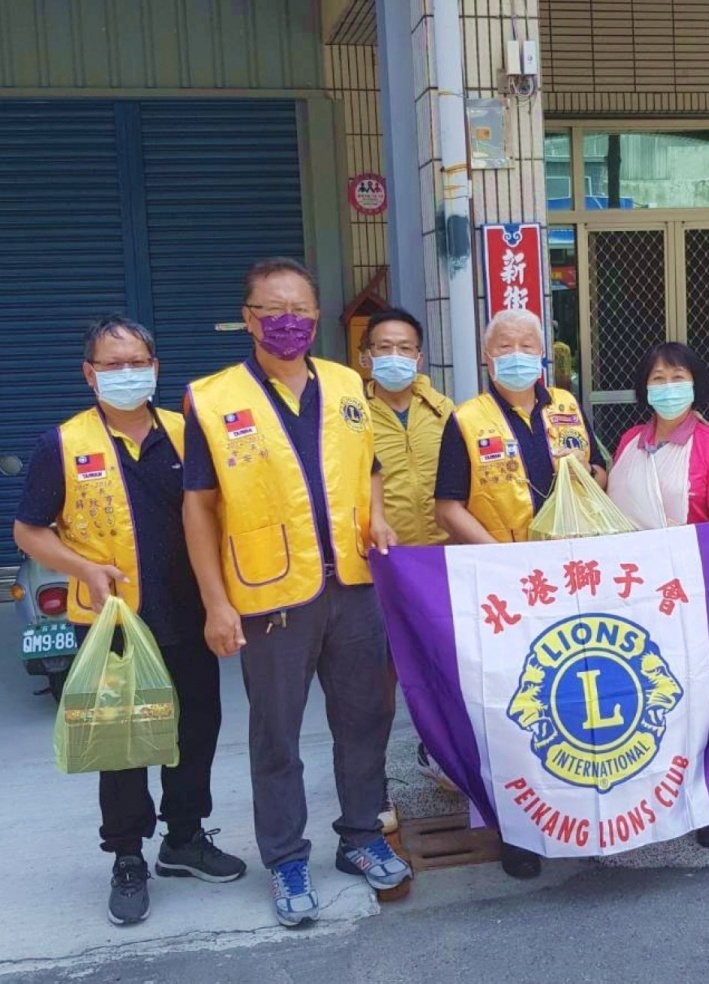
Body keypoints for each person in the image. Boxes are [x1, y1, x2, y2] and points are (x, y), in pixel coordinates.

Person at [182, 258, 411, 927]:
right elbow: (198, 507)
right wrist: (216, 602)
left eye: (301, 310)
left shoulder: (346, 383)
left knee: (365, 719)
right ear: (248, 318)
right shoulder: (213, 399)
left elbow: (369, 467)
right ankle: (285, 857)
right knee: (276, 735)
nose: (289, 322)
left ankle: (362, 835)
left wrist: (378, 515)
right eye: (273, 310)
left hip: (354, 584)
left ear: (316, 317)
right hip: (270, 594)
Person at [13, 316, 245, 926]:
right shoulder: (63, 444)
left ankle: (184, 839)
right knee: (122, 744)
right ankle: (126, 856)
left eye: (137, 362)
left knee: (196, 729)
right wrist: (82, 567)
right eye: (112, 365)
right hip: (112, 623)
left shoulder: (188, 434)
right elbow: (29, 531)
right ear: (89, 374)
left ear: (156, 368)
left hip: (189, 613)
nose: (126, 374)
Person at [434, 307, 607, 878]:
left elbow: (597, 473)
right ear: (487, 358)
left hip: (568, 579)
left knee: (572, 700)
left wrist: (593, 483)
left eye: (527, 345)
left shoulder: (566, 406)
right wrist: (499, 557)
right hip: (506, 587)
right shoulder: (466, 420)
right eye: (504, 346)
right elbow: (448, 506)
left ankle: (583, 815)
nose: (516, 354)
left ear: (543, 354)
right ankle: (519, 832)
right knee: (515, 708)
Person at [607, 341, 709, 848]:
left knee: (694, 702)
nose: (667, 388)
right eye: (657, 379)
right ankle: (647, 793)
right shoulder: (628, 442)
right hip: (631, 594)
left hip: (687, 593)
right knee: (643, 697)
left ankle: (703, 804)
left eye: (677, 377)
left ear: (696, 385)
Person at [360, 306, 458, 797]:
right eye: (384, 348)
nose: (394, 357)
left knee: (444, 667)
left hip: (440, 560)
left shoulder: (446, 411)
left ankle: (442, 755)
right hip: (380, 563)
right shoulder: (350, 415)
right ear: (366, 357)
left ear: (419, 358)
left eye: (405, 348)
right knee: (378, 678)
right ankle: (369, 782)